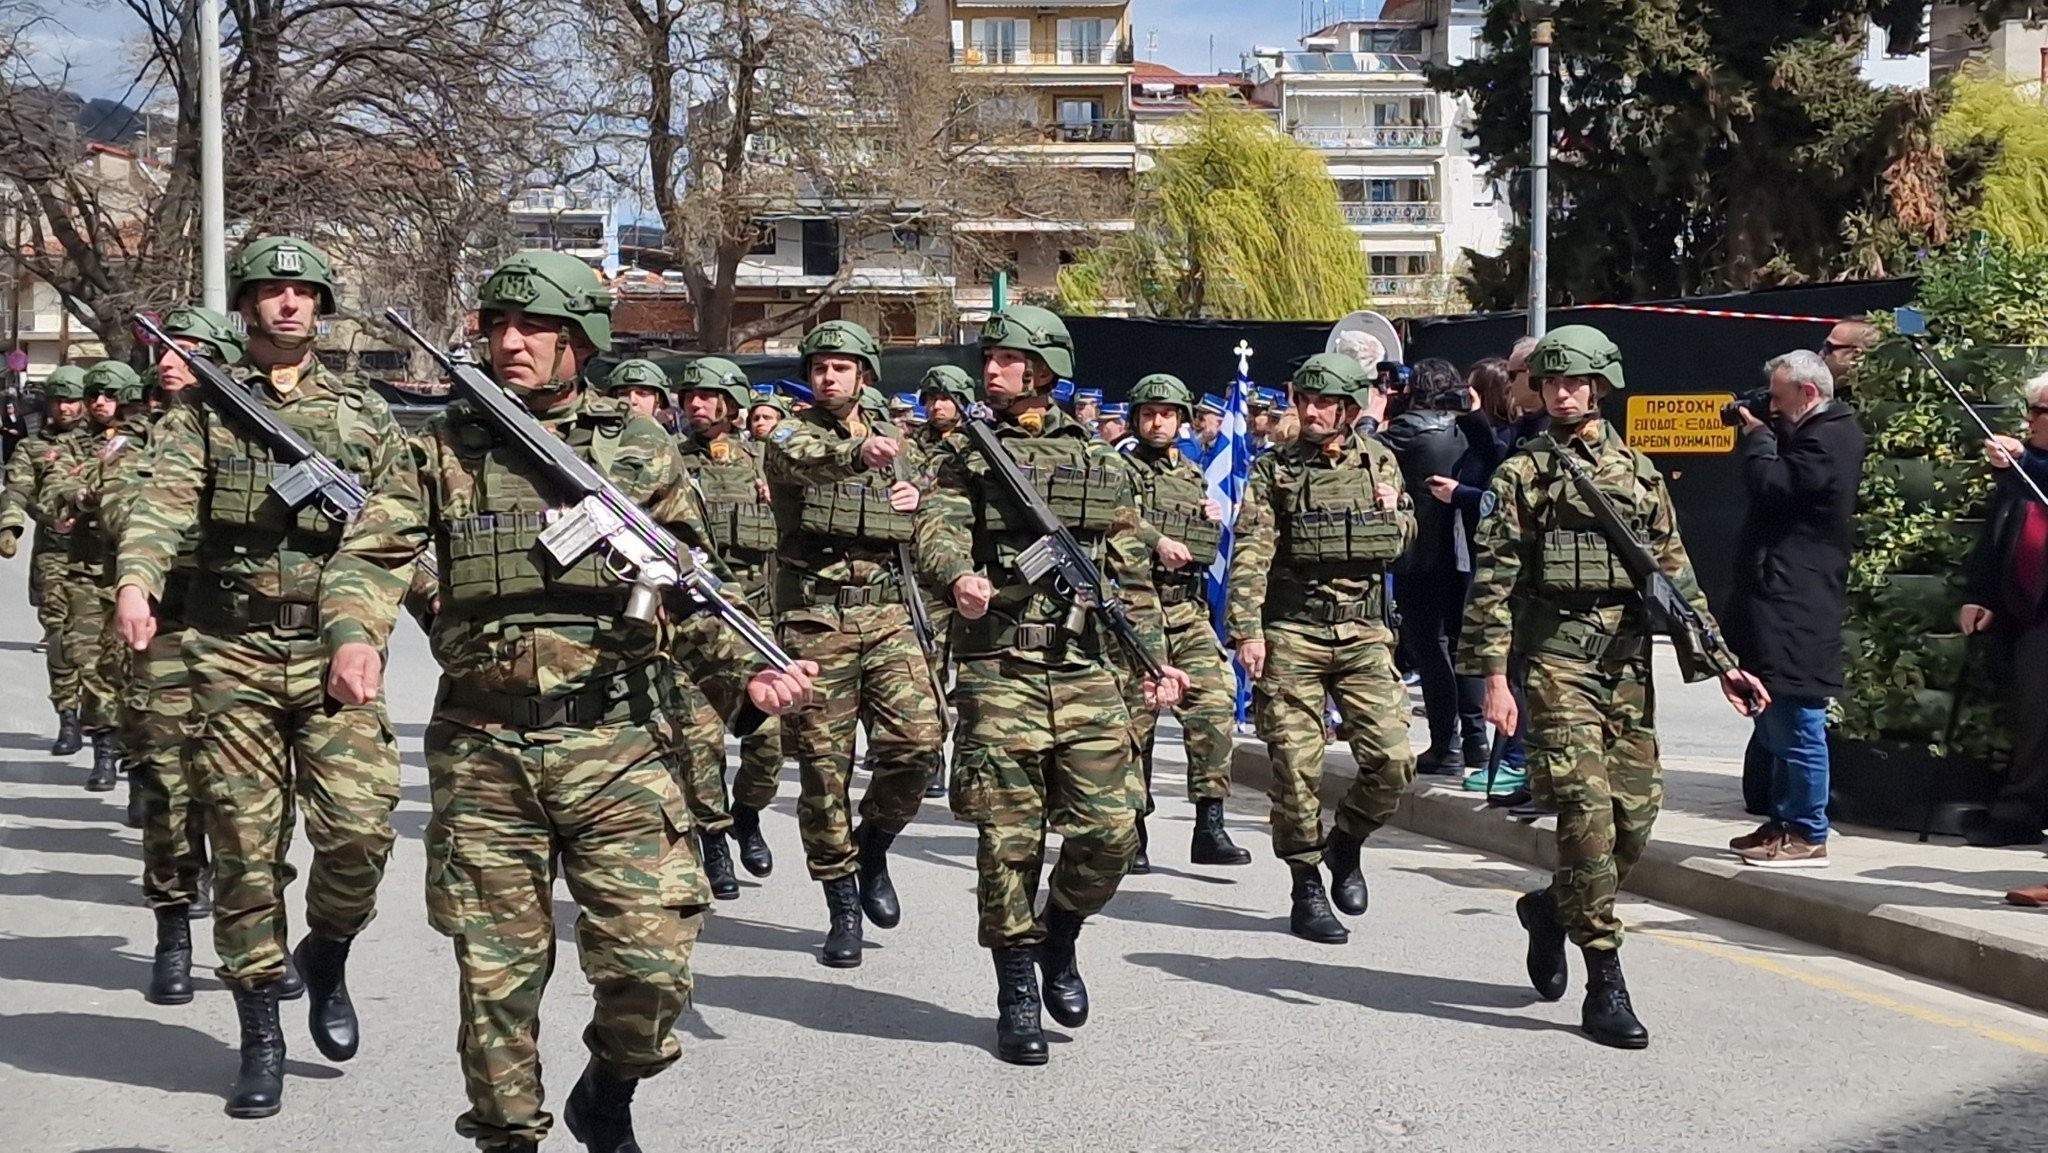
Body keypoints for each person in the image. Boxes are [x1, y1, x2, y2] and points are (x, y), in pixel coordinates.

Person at [317, 249, 815, 1153]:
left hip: (618, 744)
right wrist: (355, 632)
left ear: (578, 340)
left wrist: (745, 672)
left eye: (535, 327)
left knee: (651, 968)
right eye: (499, 325)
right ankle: (509, 1135)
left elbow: (689, 588)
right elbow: (367, 555)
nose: (511, 342)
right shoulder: (441, 446)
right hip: (484, 748)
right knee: (497, 983)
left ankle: (608, 1090)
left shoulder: (638, 446)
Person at [113, 236, 413, 1117]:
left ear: (321, 306)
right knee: (246, 849)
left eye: (301, 292)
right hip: (229, 652)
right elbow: (161, 503)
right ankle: (260, 1029)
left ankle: (327, 951)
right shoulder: (205, 410)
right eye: (270, 292)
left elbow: (401, 524)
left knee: (360, 833)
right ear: (247, 306)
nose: (287, 304)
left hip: (336, 652)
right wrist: (138, 578)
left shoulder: (364, 414)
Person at [1462, 324, 1766, 1050]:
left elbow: (1677, 573)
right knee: (1587, 817)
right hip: (1555, 664)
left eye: (1578, 381)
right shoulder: (1521, 475)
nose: (1564, 393)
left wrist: (1724, 660)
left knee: (1635, 818)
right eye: (1553, 381)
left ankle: (1548, 907)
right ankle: (1605, 975)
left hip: (1626, 663)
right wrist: (1494, 679)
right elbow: (1492, 584)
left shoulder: (1638, 471)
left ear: (1602, 385)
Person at [916, 303, 1186, 1066]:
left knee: (1111, 831)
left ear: (1043, 369)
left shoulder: (1103, 462)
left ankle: (1059, 934)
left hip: (1089, 665)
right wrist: (957, 575)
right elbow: (936, 529)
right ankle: (1015, 989)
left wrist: (1154, 662)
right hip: (999, 664)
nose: (990, 368)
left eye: (1004, 358)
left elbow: (1124, 569)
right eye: (989, 357)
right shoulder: (967, 453)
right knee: (1008, 840)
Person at [761, 319, 951, 969]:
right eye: (819, 366)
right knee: (822, 772)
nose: (827, 375)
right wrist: (857, 456)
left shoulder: (902, 444)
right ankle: (841, 901)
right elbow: (806, 460)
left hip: (891, 615)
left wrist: (914, 499)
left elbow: (930, 522)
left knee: (919, 746)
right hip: (817, 620)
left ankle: (873, 844)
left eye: (841, 366)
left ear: (864, 374)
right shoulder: (791, 431)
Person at [1227, 353, 1415, 946]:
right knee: (1296, 764)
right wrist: (1246, 631)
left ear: (1350, 408)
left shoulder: (1380, 460)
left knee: (1392, 761)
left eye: (1325, 402)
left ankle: (1348, 840)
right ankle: (1305, 881)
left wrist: (1396, 514)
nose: (1311, 411)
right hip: (1293, 632)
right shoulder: (1273, 470)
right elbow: (1252, 551)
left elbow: (1405, 535)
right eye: (1304, 400)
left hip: (1363, 633)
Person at [111, 307, 240, 1006]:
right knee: (168, 780)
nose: (169, 359)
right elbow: (123, 516)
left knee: (247, 790)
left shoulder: (252, 429)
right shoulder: (134, 438)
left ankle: (254, 940)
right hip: (165, 623)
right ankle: (172, 927)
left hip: (239, 627)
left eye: (185, 349)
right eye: (163, 348)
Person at [1723, 351, 1865, 869]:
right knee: (1775, 712)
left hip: (1799, 602)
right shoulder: (1811, 432)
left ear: (1807, 394)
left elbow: (1774, 487)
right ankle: (1783, 821)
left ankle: (1808, 832)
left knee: (1799, 716)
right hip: (1778, 596)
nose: (1773, 409)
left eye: (1779, 401)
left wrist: (1758, 435)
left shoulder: (1831, 437)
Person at [1122, 373, 1251, 868]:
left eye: (1169, 414)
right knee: (1138, 717)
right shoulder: (1119, 467)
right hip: (1135, 609)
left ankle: (1210, 824)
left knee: (1214, 702)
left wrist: (1210, 517)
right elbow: (1118, 515)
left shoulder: (1191, 474)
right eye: (1150, 414)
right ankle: (1132, 830)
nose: (1159, 422)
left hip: (1185, 608)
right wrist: (1156, 540)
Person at [674, 355, 789, 884]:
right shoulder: (670, 462)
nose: (695, 404)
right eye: (688, 396)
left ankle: (747, 814)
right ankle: (713, 837)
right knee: (699, 746)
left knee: (768, 748)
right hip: (698, 625)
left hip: (758, 621)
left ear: (732, 404)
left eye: (706, 396)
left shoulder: (765, 461)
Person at [1382, 357, 1485, 777]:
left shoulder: (1406, 431)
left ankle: (1446, 744)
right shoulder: (1467, 429)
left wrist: (1376, 414)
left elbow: (1365, 451)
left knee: (1430, 647)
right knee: (1462, 646)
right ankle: (1477, 743)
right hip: (1462, 553)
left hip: (1420, 555)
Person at [1961, 371, 2048, 850]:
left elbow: (2036, 476)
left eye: (2038, 412)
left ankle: (2020, 809)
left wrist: (2021, 461)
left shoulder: (2033, 468)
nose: (2029, 420)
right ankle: (2020, 811)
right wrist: (1982, 595)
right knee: (2032, 713)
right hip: (2027, 612)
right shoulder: (2028, 471)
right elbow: (1996, 540)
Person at [64, 360, 151, 800]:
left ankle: (140, 776)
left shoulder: (150, 442)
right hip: (92, 573)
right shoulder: (77, 444)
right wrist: (78, 495)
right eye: (94, 395)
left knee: (142, 680)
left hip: (147, 576)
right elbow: (51, 489)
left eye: (110, 395)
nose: (100, 403)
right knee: (96, 667)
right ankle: (102, 752)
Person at [0, 365, 91, 755]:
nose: (65, 408)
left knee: (100, 644)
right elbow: (17, 488)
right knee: (59, 639)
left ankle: (101, 719)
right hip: (54, 552)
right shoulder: (32, 447)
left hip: (100, 555)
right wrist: (9, 527)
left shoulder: (109, 442)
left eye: (72, 400)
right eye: (59, 400)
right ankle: (67, 717)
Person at [913, 364, 977, 798]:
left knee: (972, 674)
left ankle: (967, 762)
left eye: (948, 398)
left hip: (976, 574)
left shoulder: (980, 446)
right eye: (933, 398)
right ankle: (932, 754)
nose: (939, 406)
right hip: (927, 577)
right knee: (930, 668)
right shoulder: (910, 447)